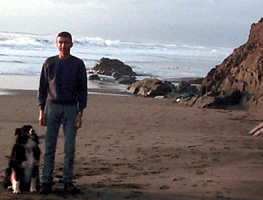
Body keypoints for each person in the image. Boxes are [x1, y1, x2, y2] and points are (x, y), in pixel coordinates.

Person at [38, 32, 87, 194]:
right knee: (49, 147)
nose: (63, 45)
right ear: (56, 44)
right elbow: (42, 88)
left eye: (66, 42)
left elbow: (83, 90)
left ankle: (68, 181)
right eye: (60, 42)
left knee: (69, 148)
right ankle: (46, 181)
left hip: (71, 108)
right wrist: (41, 110)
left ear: (71, 44)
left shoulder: (78, 64)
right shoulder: (49, 63)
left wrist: (80, 112)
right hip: (52, 107)